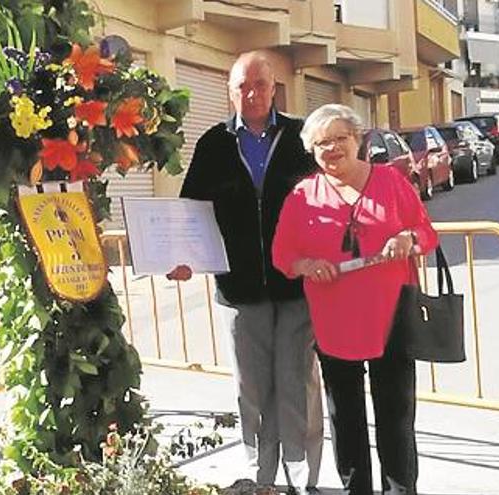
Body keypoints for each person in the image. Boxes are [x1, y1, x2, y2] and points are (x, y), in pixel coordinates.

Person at [169, 51, 323, 494]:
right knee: (252, 388)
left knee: (298, 383)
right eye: (242, 86)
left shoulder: (301, 136)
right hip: (238, 289)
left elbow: (329, 199)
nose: (251, 93)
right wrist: (181, 257)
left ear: (274, 87)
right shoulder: (213, 143)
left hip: (297, 285)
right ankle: (261, 476)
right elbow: (190, 211)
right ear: (230, 90)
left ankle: (303, 476)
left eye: (259, 84)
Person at [272, 104, 438, 495]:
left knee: (395, 414)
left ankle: (400, 490)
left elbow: (425, 232)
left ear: (359, 139)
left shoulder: (391, 181)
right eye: (321, 143)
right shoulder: (302, 196)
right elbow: (283, 256)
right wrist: (307, 264)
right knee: (345, 417)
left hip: (391, 316)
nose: (331, 149)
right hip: (334, 321)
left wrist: (407, 239)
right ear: (311, 151)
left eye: (339, 139)